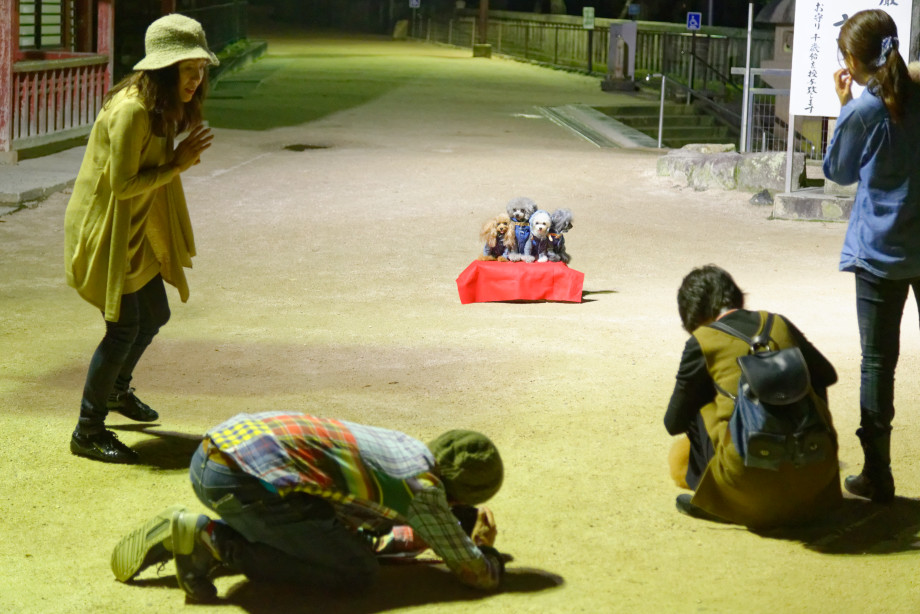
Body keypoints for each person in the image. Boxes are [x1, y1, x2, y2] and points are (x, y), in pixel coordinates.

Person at [110, 412, 506, 601]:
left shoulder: (404, 450)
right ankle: (211, 540)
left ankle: (212, 535)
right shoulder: (425, 492)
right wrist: (483, 549)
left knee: (329, 540)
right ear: (459, 496)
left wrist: (418, 539)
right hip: (239, 481)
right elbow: (477, 576)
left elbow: (355, 528)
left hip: (218, 452)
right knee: (356, 572)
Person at [64, 14, 217, 464]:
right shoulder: (132, 109)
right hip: (107, 226)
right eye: (188, 68)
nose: (196, 78)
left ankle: (115, 390)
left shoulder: (162, 105)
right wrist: (178, 163)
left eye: (201, 68)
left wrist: (175, 157)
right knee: (124, 326)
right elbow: (122, 185)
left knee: (155, 313)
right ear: (165, 68)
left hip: (134, 225)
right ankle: (87, 430)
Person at [823, 9, 920, 503]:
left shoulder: (866, 109)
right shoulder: (915, 91)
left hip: (880, 249)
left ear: (854, 61)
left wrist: (844, 107)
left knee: (878, 363)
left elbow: (838, 170)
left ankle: (878, 475)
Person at [664, 265, 841, 528]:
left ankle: (719, 494)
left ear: (694, 315)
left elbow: (674, 422)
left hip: (749, 487)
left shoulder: (703, 339)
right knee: (808, 382)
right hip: (816, 480)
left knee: (699, 401)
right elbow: (826, 375)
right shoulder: (778, 322)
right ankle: (806, 471)